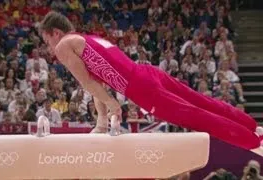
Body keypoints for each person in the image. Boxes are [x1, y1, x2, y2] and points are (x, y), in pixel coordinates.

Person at [39, 11, 261, 151]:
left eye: (46, 39)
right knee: (201, 102)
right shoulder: (87, 39)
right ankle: (251, 126)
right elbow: (98, 84)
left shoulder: (64, 46)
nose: (49, 47)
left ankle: (252, 141)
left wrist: (114, 105)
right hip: (147, 73)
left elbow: (87, 83)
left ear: (56, 33)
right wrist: (102, 121)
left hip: (141, 88)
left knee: (197, 117)